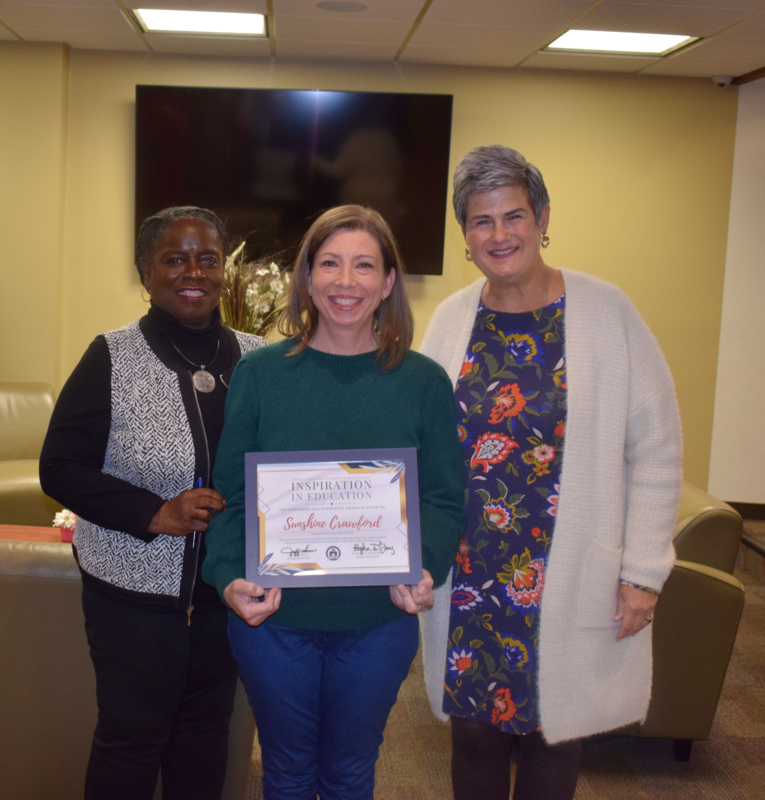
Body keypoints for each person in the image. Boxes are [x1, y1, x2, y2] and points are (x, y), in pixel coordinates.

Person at [419, 146, 683, 800]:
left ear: (540, 218)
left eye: (513, 216)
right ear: (465, 236)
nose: (499, 235)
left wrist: (642, 572)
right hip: (472, 569)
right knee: (473, 734)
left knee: (553, 732)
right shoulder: (452, 319)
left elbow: (655, 446)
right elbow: (417, 440)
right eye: (482, 222)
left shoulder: (604, 310)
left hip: (563, 569)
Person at [202, 204, 465, 800]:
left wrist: (426, 564)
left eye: (365, 265)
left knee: (349, 774)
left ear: (388, 282)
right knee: (287, 773)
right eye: (330, 264)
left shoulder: (424, 383)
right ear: (307, 277)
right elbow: (233, 495)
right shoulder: (261, 374)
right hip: (274, 622)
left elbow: (445, 498)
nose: (346, 282)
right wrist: (227, 576)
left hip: (377, 620)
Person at [39, 206, 266, 800]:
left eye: (208, 258)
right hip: (132, 599)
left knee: (204, 737)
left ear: (224, 272)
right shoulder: (110, 356)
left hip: (225, 595)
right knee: (130, 741)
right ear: (146, 272)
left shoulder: (260, 358)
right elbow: (59, 467)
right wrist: (155, 513)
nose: (193, 271)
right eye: (174, 258)